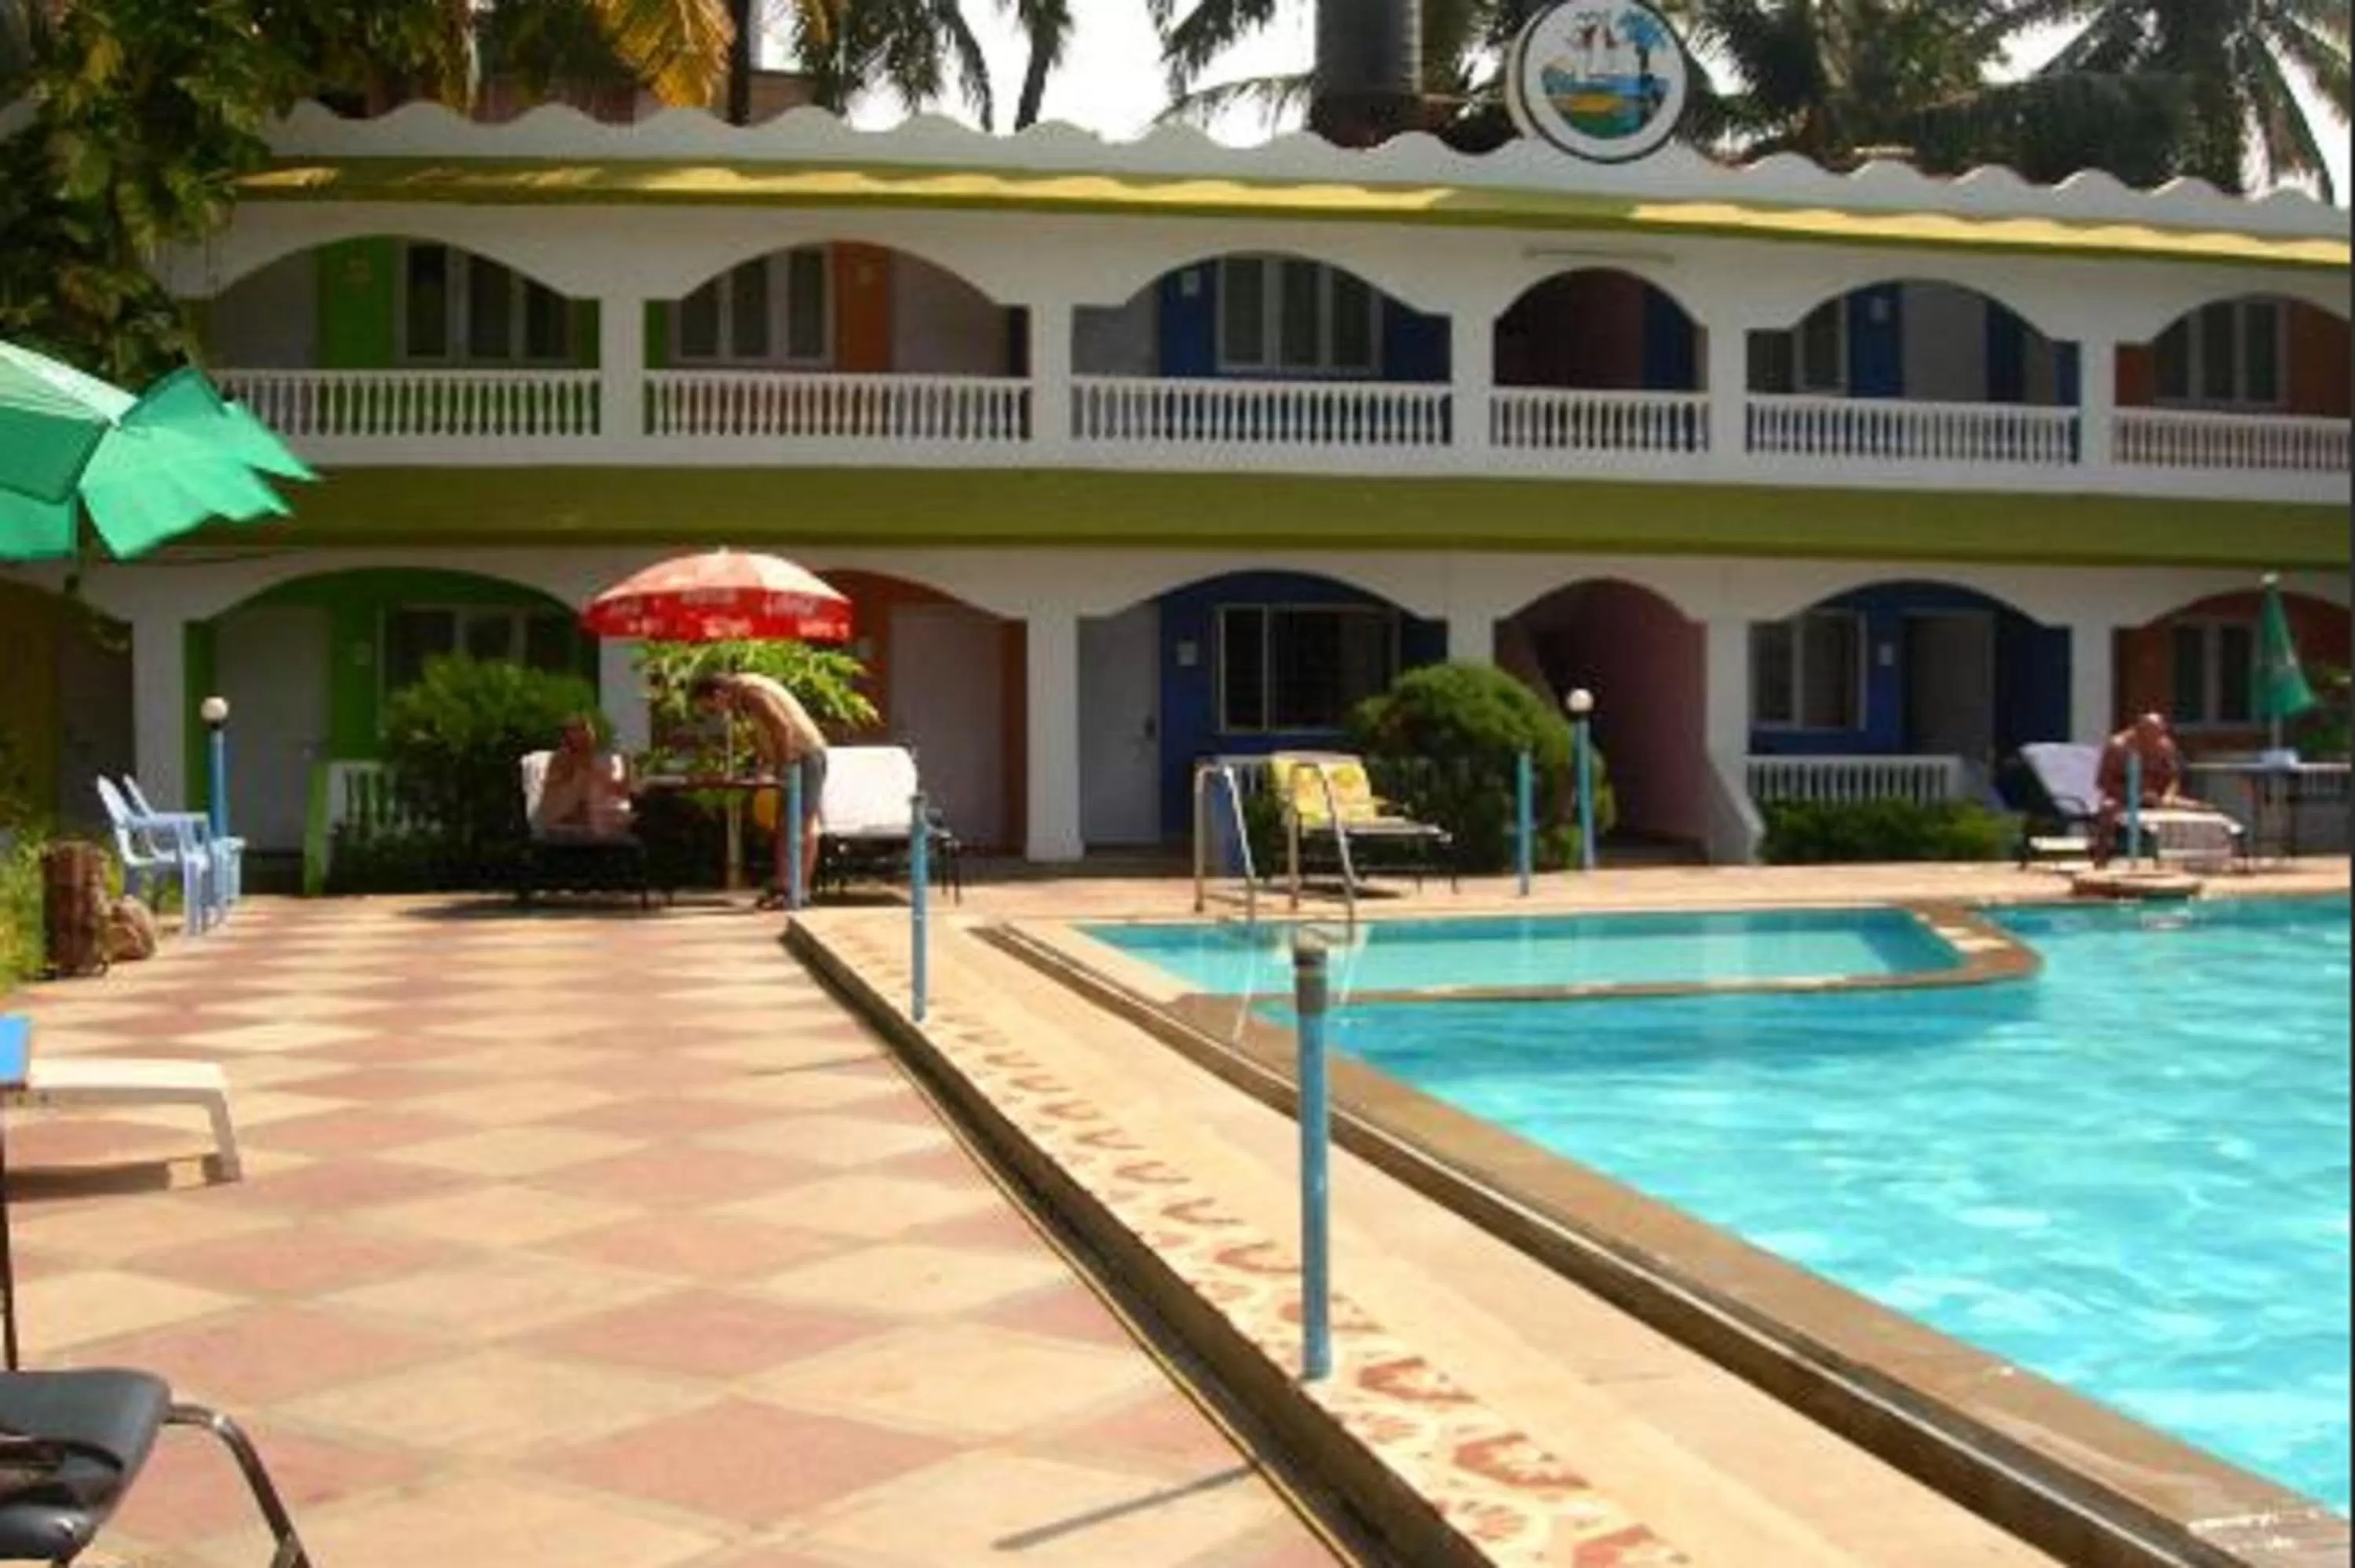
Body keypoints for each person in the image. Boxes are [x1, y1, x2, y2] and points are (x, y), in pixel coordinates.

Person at [690, 672, 828, 902]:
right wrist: (763, 764)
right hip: (793, 758)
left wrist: (782, 768)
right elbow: (768, 733)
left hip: (804, 756)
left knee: (802, 822)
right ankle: (784, 884)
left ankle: (800, 888)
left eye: (712, 709)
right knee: (784, 823)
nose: (718, 714)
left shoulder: (751, 692)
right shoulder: (745, 695)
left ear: (719, 694)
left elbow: (781, 727)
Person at [2093, 711, 2207, 866]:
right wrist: (2135, 795)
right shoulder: (2118, 747)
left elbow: (2174, 777)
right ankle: (2101, 858)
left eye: (2159, 735)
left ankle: (2197, 861)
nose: (2155, 741)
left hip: (2157, 797)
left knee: (2201, 808)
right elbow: (2103, 782)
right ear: (2139, 731)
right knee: (2107, 808)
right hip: (2123, 797)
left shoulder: (2165, 747)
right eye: (2150, 735)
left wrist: (2169, 795)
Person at [535, 714, 633, 840]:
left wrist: (628, 767)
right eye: (573, 730)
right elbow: (556, 796)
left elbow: (620, 791)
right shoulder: (562, 758)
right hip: (567, 816)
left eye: (582, 729)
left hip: (600, 816)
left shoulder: (601, 758)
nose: (579, 734)